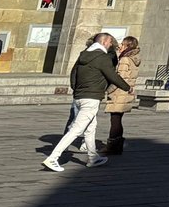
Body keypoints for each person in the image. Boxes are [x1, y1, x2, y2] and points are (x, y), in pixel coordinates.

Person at [42, 31, 130, 170]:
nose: (110, 45)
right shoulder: (102, 57)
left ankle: (93, 157)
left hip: (80, 95)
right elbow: (112, 76)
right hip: (91, 97)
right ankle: (53, 157)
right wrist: (127, 88)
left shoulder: (84, 55)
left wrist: (75, 89)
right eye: (110, 43)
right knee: (76, 129)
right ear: (105, 42)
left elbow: (74, 73)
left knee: (90, 128)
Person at [104, 35, 142, 157]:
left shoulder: (125, 59)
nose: (120, 46)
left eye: (122, 44)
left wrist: (109, 90)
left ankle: (112, 146)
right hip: (126, 92)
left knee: (115, 119)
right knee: (118, 119)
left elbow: (120, 77)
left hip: (119, 93)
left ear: (127, 45)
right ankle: (117, 145)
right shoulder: (133, 58)